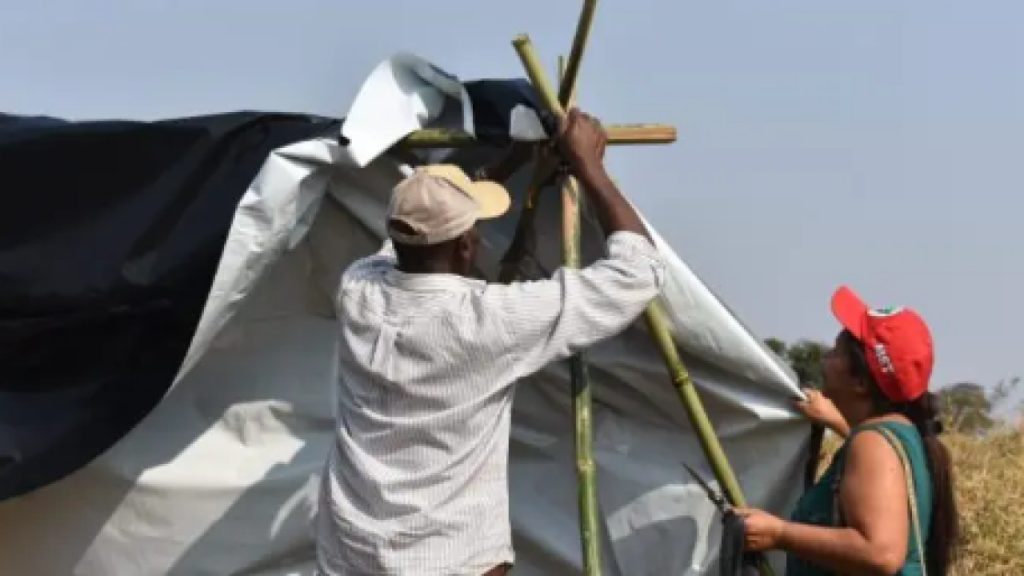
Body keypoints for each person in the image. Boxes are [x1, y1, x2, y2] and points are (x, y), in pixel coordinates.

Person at [314, 109, 666, 576]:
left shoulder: (359, 288)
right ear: (467, 246)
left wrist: (510, 162)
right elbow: (638, 274)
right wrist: (589, 167)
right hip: (449, 561)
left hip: (353, 552)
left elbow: (416, 238)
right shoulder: (486, 320)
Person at [737, 286, 960, 575]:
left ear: (860, 383)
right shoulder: (894, 435)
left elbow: (881, 553)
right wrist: (838, 421)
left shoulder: (872, 442)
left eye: (837, 351)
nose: (826, 357)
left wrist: (779, 534)